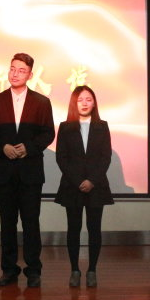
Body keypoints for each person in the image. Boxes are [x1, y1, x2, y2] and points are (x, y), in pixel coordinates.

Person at [0, 53, 55, 288]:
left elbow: (48, 133)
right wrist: (2, 147)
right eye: (12, 68)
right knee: (7, 223)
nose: (15, 74)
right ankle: (9, 269)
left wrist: (29, 148)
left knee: (31, 223)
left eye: (21, 70)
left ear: (30, 75)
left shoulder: (41, 102)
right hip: (4, 171)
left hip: (30, 172)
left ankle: (33, 270)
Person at [54, 85, 113, 288]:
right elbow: (61, 157)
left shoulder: (102, 126)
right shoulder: (65, 127)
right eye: (80, 100)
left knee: (94, 228)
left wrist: (92, 180)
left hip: (97, 186)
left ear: (94, 103)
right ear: (74, 103)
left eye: (89, 99)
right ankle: (75, 270)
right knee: (74, 228)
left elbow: (106, 157)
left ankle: (92, 270)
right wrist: (78, 180)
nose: (85, 103)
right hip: (72, 186)